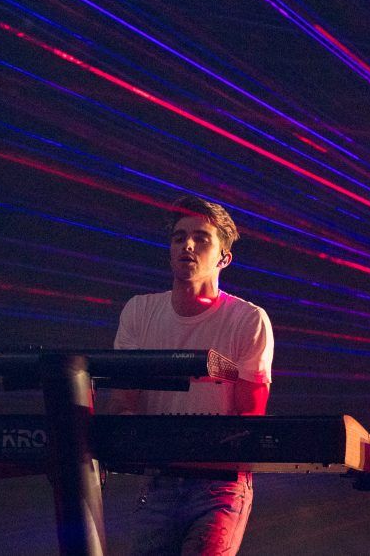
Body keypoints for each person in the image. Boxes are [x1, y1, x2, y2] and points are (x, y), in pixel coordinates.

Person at [111, 195, 273, 555]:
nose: (187, 244)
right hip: (160, 480)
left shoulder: (248, 320)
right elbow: (123, 401)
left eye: (201, 238)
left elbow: (251, 418)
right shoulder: (139, 312)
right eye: (179, 236)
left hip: (220, 483)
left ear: (224, 257)